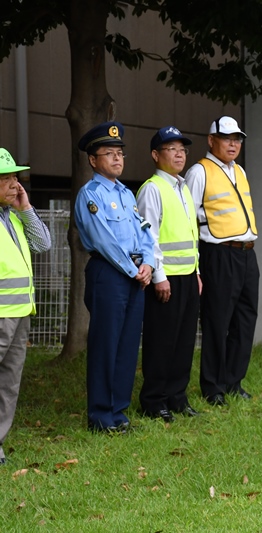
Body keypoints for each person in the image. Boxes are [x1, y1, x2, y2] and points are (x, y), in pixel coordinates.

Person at [75, 122, 155, 433]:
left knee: (126, 345)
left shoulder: (126, 194)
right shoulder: (90, 195)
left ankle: (119, 414)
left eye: (120, 153)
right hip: (110, 274)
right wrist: (134, 269)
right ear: (93, 160)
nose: (117, 159)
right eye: (109, 154)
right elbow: (104, 240)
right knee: (106, 344)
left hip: (135, 275)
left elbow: (144, 231)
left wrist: (147, 262)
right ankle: (100, 416)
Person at [185, 116, 259, 406]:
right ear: (211, 139)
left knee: (245, 320)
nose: (233, 143)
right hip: (218, 253)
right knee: (217, 321)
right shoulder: (199, 172)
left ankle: (233, 381)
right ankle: (213, 387)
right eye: (227, 138)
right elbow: (188, 218)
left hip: (246, 252)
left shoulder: (239, 171)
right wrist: (196, 264)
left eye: (237, 138)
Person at [136, 126, 202, 422]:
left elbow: (191, 234)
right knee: (162, 340)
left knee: (185, 340)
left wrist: (197, 272)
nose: (179, 154)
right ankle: (154, 400)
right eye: (171, 149)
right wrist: (159, 276)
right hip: (166, 278)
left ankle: (177, 396)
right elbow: (148, 237)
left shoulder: (183, 186)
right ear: (155, 155)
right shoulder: (153, 188)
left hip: (188, 274)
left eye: (182, 149)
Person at [0, 148, 51, 464]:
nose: (15, 185)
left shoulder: (14, 217)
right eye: (6, 179)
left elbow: (44, 244)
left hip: (19, 314)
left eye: (15, 177)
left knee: (9, 383)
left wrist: (27, 207)